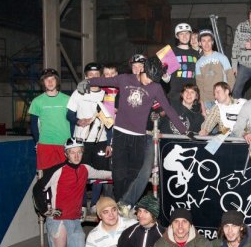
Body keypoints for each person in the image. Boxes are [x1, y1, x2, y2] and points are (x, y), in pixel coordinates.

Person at [79, 56, 187, 208]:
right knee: (118, 174)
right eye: (148, 78)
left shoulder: (155, 87)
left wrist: (184, 130)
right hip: (120, 134)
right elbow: (105, 81)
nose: (149, 81)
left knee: (133, 174)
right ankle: (120, 205)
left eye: (153, 80)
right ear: (143, 70)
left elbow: (168, 109)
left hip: (139, 137)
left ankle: (125, 205)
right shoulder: (125, 79)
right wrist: (88, 82)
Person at [34, 138, 112, 247]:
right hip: (58, 219)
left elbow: (102, 174)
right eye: (72, 153)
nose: (76, 156)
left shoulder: (85, 169)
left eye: (79, 152)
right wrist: (45, 210)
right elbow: (38, 188)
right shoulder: (58, 170)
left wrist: (123, 174)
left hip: (75, 219)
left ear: (82, 153)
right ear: (66, 154)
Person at [66, 62, 111, 215]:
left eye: (96, 75)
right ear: (86, 77)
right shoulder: (78, 93)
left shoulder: (106, 95)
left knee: (100, 173)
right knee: (81, 173)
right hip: (81, 140)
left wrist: (110, 143)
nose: (93, 77)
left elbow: (111, 120)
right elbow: (69, 115)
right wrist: (78, 121)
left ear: (101, 76)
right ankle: (83, 204)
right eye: (90, 75)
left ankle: (95, 203)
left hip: (101, 140)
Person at [29, 68, 71, 170]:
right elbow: (33, 124)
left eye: (53, 79)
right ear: (43, 82)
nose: (50, 82)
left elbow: (73, 122)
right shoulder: (37, 101)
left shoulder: (68, 99)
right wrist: (37, 142)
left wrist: (72, 141)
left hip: (64, 143)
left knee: (65, 175)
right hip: (45, 144)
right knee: (46, 176)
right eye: (47, 80)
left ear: (57, 81)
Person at [195, 29, 235, 111]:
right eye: (203, 41)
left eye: (209, 40)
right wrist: (202, 103)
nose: (206, 43)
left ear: (212, 42)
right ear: (199, 43)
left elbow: (231, 77)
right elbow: (199, 85)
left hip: (222, 98)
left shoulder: (222, 57)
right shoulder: (198, 63)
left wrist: (226, 93)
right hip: (207, 100)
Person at [167, 23, 201, 103]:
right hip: (176, 96)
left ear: (190, 35)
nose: (184, 36)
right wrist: (164, 75)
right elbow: (166, 79)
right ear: (177, 36)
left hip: (192, 96)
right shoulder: (170, 52)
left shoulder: (196, 53)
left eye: (187, 33)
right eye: (181, 34)